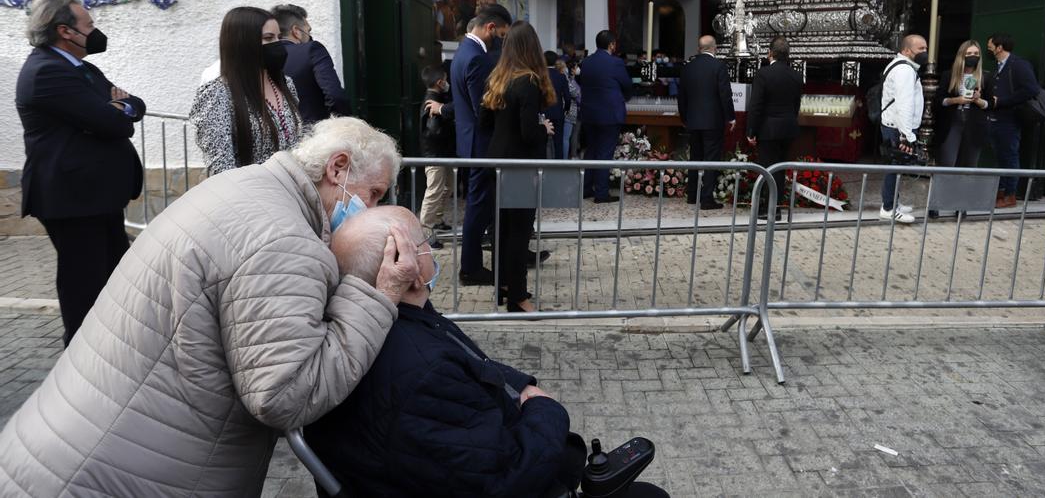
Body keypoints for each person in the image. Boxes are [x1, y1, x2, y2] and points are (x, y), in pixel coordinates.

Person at [0, 117, 412, 496]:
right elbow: (287, 394)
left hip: (70, 449)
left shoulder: (247, 188)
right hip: (109, 476)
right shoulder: (285, 242)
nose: (371, 210)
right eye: (373, 193)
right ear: (337, 168)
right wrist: (374, 295)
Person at [306, 207, 668, 497]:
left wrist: (522, 385)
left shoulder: (371, 328)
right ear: (408, 269)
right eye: (425, 243)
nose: (432, 249)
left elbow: (469, 359)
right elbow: (507, 477)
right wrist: (546, 408)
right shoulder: (423, 372)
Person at [14, 0, 145, 346]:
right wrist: (116, 109)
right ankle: (80, 356)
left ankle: (112, 349)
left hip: (96, 197)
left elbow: (134, 105)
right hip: (72, 199)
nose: (95, 31)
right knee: (83, 285)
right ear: (65, 31)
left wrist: (122, 107)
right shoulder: (46, 72)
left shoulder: (81, 68)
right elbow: (111, 122)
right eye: (88, 25)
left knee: (115, 276)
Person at [480, 22, 557, 313]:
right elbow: (528, 133)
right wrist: (544, 129)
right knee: (519, 232)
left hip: (496, 161)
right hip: (520, 166)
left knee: (500, 229)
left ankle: (502, 285)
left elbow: (484, 124)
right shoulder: (528, 81)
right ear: (533, 48)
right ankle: (518, 297)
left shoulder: (497, 79)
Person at [190, 7, 304, 175]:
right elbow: (221, 166)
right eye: (268, 38)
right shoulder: (217, 94)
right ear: (243, 42)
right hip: (251, 194)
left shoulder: (286, 84)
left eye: (279, 37)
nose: (277, 44)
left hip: (290, 192)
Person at [450, 4, 512, 285]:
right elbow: (482, 110)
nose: (501, 40)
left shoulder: (463, 51)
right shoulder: (476, 58)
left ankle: (475, 264)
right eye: (501, 34)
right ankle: (470, 268)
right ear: (490, 28)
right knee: (478, 208)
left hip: (471, 143)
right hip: (481, 145)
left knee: (480, 206)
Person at [746, 36, 804, 219]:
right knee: (780, 169)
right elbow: (796, 105)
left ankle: (767, 208)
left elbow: (756, 105)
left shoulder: (763, 74)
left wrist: (751, 131)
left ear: (770, 53)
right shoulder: (796, 76)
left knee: (767, 169)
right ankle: (776, 206)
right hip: (788, 128)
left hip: (768, 129)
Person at [679, 35, 736, 209]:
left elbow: (682, 96)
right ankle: (706, 199)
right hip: (713, 121)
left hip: (693, 121)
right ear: (714, 48)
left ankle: (692, 195)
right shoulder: (719, 66)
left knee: (695, 158)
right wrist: (731, 117)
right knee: (711, 159)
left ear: (699, 48)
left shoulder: (688, 67)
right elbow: (725, 94)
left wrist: (685, 118)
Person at [985, 32, 1040, 208]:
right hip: (997, 118)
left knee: (1009, 155)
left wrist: (1003, 101)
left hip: (1010, 118)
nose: (989, 49)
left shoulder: (1019, 65)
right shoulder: (999, 67)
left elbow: (1031, 89)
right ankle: (1001, 191)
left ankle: (1010, 194)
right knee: (1000, 156)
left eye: (990, 46)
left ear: (999, 47)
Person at [578, 30, 633, 203]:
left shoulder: (586, 62)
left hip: (589, 113)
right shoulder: (615, 63)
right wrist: (624, 97)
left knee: (591, 150)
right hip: (610, 114)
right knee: (604, 153)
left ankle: (585, 188)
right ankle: (601, 193)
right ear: (611, 45)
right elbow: (627, 85)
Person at [272, 3, 352, 123]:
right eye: (308, 30)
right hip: (313, 133)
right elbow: (335, 95)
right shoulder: (312, 49)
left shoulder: (259, 56)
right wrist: (342, 123)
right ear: (296, 31)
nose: (309, 35)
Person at [878, 34, 927, 224]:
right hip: (898, 128)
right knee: (895, 166)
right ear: (907, 50)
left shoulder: (899, 65)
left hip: (894, 126)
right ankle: (888, 208)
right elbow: (904, 104)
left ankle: (893, 203)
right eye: (920, 49)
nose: (925, 52)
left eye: (925, 48)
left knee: (895, 166)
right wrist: (907, 136)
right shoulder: (905, 71)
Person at [935, 40, 994, 168]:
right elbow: (939, 100)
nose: (973, 56)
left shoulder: (986, 77)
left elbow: (990, 104)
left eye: (976, 53)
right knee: (947, 161)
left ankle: (965, 188)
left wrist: (978, 100)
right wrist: (956, 100)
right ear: (962, 55)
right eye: (969, 53)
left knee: (970, 164)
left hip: (975, 122)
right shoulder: (949, 75)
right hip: (953, 120)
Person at [419, 64, 455, 249]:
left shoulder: (439, 98)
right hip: (435, 153)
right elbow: (433, 130)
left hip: (442, 152)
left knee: (447, 186)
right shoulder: (432, 101)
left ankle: (437, 219)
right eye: (446, 80)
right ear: (441, 82)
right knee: (434, 191)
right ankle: (425, 230)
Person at [544, 50, 571, 159]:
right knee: (558, 141)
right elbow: (567, 97)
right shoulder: (561, 76)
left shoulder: (540, 76)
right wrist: (566, 109)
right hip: (558, 112)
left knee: (543, 141)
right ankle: (559, 167)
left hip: (543, 113)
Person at [561, 55, 582, 158]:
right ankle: (564, 160)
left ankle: (569, 156)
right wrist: (579, 93)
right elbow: (574, 92)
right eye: (576, 67)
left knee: (571, 137)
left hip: (573, 113)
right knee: (566, 138)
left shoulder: (571, 79)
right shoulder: (566, 79)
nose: (577, 69)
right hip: (568, 113)